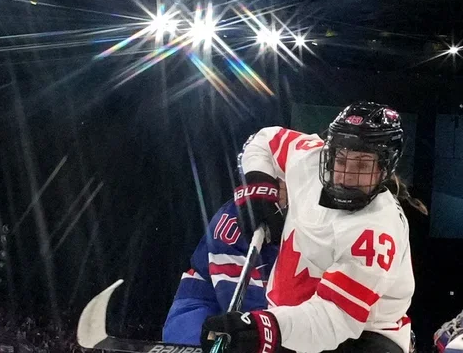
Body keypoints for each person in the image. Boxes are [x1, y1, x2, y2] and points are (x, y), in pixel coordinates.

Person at [202, 102, 426, 353]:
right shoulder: (309, 160)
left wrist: (264, 328)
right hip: (292, 322)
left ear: (385, 167)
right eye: (341, 159)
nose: (346, 175)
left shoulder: (377, 231)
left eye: (362, 165)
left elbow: (334, 319)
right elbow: (263, 140)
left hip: (363, 335)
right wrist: (258, 187)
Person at [161, 162, 285, 345]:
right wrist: (268, 331)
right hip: (204, 304)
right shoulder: (235, 219)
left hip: (275, 312)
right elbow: (234, 292)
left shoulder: (311, 220)